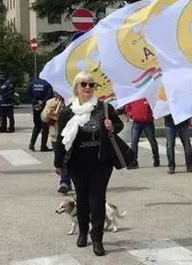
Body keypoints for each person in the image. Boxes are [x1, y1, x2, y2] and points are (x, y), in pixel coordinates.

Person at [55, 72, 124, 256]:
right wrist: (58, 162)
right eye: (83, 84)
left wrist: (112, 126)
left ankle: (98, 239)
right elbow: (61, 139)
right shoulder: (67, 112)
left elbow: (119, 125)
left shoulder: (104, 108)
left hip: (101, 163)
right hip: (77, 164)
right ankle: (83, 232)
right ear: (77, 87)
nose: (87, 88)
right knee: (82, 200)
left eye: (91, 85)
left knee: (97, 201)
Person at [42, 92, 71, 194]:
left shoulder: (71, 102)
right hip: (56, 135)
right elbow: (44, 118)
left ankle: (66, 181)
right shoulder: (50, 102)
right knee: (61, 159)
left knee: (69, 159)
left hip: (69, 135)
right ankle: (65, 182)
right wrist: (50, 111)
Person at [125, 98, 159, 170]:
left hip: (148, 122)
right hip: (136, 122)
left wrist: (150, 116)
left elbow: (154, 106)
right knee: (134, 142)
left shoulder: (147, 95)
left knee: (152, 140)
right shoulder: (134, 96)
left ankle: (156, 158)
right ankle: (134, 161)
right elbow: (127, 106)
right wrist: (132, 115)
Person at [27, 75, 53, 152]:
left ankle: (32, 143)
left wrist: (34, 102)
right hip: (44, 107)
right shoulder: (47, 84)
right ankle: (43, 146)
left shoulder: (32, 83)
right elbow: (49, 95)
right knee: (45, 127)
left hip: (35, 107)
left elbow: (28, 94)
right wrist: (43, 102)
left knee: (37, 125)